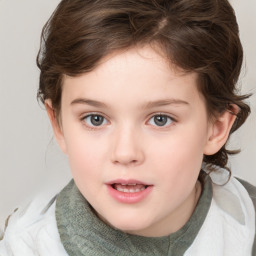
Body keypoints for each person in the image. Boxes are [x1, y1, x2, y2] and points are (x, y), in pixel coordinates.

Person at [0, 0, 255, 255]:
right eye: (95, 119)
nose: (125, 153)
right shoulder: (27, 247)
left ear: (217, 128)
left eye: (160, 119)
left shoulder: (245, 220)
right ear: (59, 124)